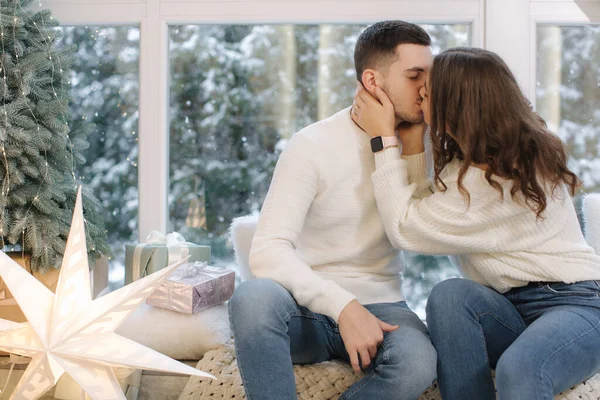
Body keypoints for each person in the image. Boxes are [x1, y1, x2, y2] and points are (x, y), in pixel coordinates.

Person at [351, 46, 600, 400]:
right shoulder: (471, 164)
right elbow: (423, 208)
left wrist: (384, 141)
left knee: (521, 367)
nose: (419, 101)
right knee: (450, 295)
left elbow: (406, 227)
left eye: (426, 94)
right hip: (510, 308)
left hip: (576, 305)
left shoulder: (506, 178)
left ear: (455, 106)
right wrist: (410, 145)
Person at [228, 21, 437, 400]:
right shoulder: (311, 144)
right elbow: (268, 249)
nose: (426, 89)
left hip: (385, 307)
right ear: (372, 81)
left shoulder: (422, 141)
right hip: (305, 308)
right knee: (252, 299)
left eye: (430, 74)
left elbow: (417, 236)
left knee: (418, 362)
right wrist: (343, 307)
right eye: (414, 76)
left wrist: (408, 150)